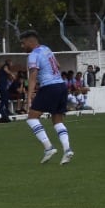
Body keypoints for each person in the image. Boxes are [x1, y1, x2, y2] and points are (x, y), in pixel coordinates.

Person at [19, 29, 75, 165]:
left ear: (30, 42)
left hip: (49, 87)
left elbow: (32, 77)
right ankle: (67, 150)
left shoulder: (33, 55)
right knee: (57, 120)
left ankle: (48, 147)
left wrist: (29, 98)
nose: (22, 46)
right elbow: (58, 65)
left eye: (23, 43)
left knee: (32, 118)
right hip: (61, 86)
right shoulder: (46, 49)